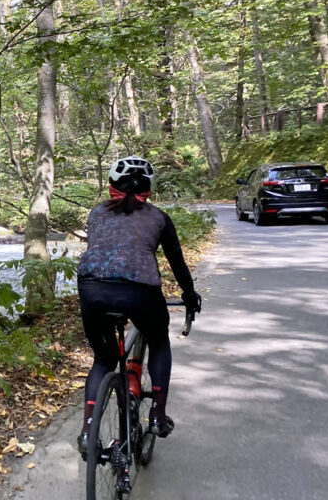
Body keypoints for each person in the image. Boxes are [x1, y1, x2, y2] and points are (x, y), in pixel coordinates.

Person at [75, 156, 202, 460]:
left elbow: (108, 250)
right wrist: (188, 293)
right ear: (149, 189)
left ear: (111, 186)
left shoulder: (96, 214)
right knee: (158, 341)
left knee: (103, 359)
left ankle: (88, 430)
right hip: (140, 293)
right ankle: (157, 415)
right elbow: (176, 263)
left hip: (91, 289)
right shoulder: (158, 217)